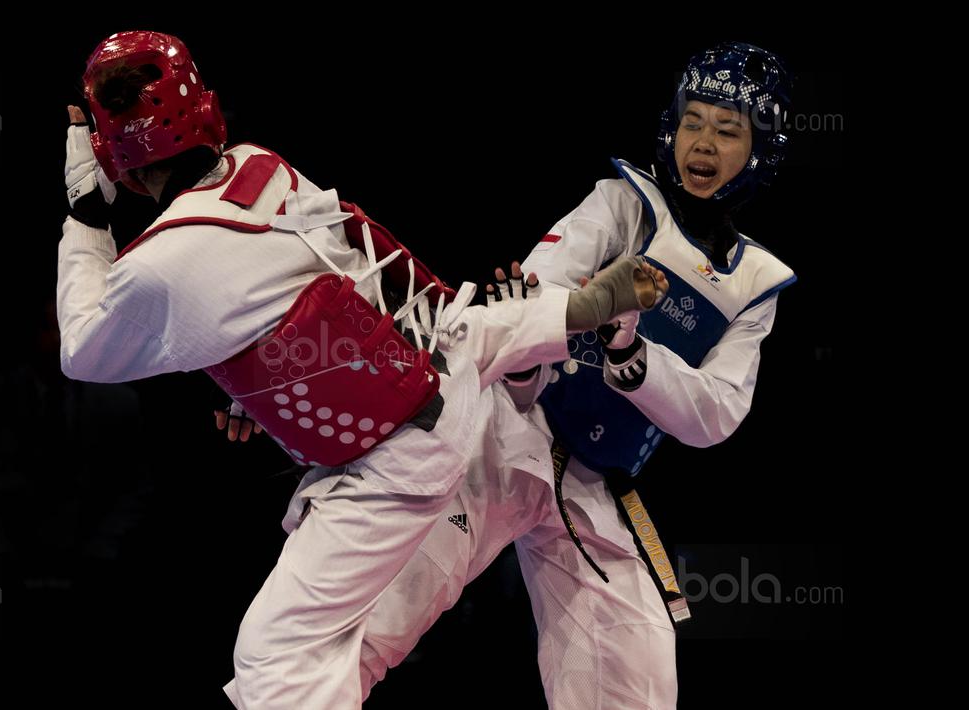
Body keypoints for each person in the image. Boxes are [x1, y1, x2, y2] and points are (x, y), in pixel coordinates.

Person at [57, 31, 664, 710]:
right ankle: (559, 313)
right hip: (445, 363)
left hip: (400, 459)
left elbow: (83, 351)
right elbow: (320, 295)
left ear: (120, 157)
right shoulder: (262, 166)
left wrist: (86, 211)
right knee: (456, 329)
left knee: (278, 655)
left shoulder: (156, 268)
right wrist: (256, 389)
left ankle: (551, 317)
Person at [216, 41, 795, 709]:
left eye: (727, 130)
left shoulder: (756, 283)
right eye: (693, 120)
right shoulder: (621, 205)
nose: (703, 142)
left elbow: (715, 414)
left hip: (591, 485)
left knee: (632, 683)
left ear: (759, 150)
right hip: (500, 430)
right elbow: (533, 296)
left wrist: (630, 356)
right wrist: (578, 313)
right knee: (370, 624)